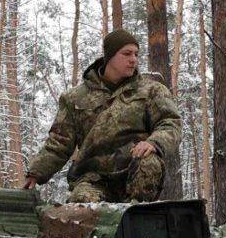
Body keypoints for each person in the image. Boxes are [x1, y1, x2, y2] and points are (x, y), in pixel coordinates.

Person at [22, 28, 183, 204]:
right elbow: (59, 142)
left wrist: (154, 143)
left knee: (149, 163)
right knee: (82, 204)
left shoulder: (151, 91)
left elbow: (170, 123)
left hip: (135, 173)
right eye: (127, 54)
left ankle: (139, 218)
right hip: (93, 178)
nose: (133, 60)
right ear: (109, 56)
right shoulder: (75, 98)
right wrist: (35, 173)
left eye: (136, 54)